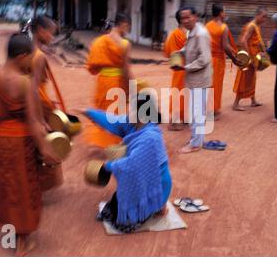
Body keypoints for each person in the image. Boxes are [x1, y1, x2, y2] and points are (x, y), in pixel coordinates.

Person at [0, 33, 60, 256]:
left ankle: (10, 234)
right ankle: (23, 241)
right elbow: (33, 121)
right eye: (30, 57)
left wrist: (1, 129)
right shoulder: (24, 82)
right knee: (24, 188)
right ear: (22, 56)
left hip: (1, 142)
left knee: (6, 188)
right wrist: (45, 149)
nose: (32, 61)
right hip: (22, 144)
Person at [83, 93, 172, 233]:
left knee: (124, 223)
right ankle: (158, 206)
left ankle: (160, 203)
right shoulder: (133, 124)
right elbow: (111, 120)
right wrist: (88, 113)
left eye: (132, 110)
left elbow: (132, 164)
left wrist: (107, 166)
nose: (129, 112)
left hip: (158, 185)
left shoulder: (150, 138)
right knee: (111, 209)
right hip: (145, 180)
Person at [84, 12, 133, 148]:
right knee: (114, 112)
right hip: (117, 81)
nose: (127, 31)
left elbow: (93, 66)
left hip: (103, 81)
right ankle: (111, 143)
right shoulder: (124, 44)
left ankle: (100, 140)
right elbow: (126, 70)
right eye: (128, 28)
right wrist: (131, 87)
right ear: (124, 25)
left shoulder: (98, 42)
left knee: (103, 109)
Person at [30, 15, 66, 191]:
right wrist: (41, 118)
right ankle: (39, 183)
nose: (52, 37)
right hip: (37, 103)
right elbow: (34, 88)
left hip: (37, 100)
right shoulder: (38, 56)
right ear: (40, 31)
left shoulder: (27, 50)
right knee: (46, 144)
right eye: (51, 33)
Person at [176, 7, 213, 154]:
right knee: (195, 111)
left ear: (195, 17)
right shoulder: (191, 32)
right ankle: (196, 139)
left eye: (187, 17)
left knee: (197, 113)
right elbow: (188, 48)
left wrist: (185, 67)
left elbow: (205, 59)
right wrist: (179, 53)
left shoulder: (201, 34)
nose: (185, 21)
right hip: (194, 78)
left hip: (200, 79)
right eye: (182, 18)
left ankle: (196, 144)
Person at [205, 3, 238, 119]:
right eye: (224, 11)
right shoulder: (223, 27)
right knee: (216, 85)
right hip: (218, 60)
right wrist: (234, 59)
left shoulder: (207, 25)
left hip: (208, 58)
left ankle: (210, 109)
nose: (226, 13)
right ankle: (211, 111)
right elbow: (225, 46)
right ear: (220, 13)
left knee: (208, 85)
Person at [232, 7, 268, 111]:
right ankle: (236, 104)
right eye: (263, 17)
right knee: (243, 79)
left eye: (266, 17)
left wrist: (263, 51)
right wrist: (250, 58)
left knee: (252, 78)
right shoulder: (252, 26)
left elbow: (256, 41)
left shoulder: (257, 26)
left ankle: (253, 100)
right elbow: (243, 41)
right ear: (257, 15)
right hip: (248, 57)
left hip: (254, 55)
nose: (264, 19)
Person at [164, 10, 187, 131]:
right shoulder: (175, 34)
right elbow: (171, 52)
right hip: (179, 68)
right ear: (182, 20)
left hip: (188, 67)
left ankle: (183, 117)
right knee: (178, 94)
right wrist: (178, 66)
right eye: (186, 18)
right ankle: (173, 122)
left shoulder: (188, 33)